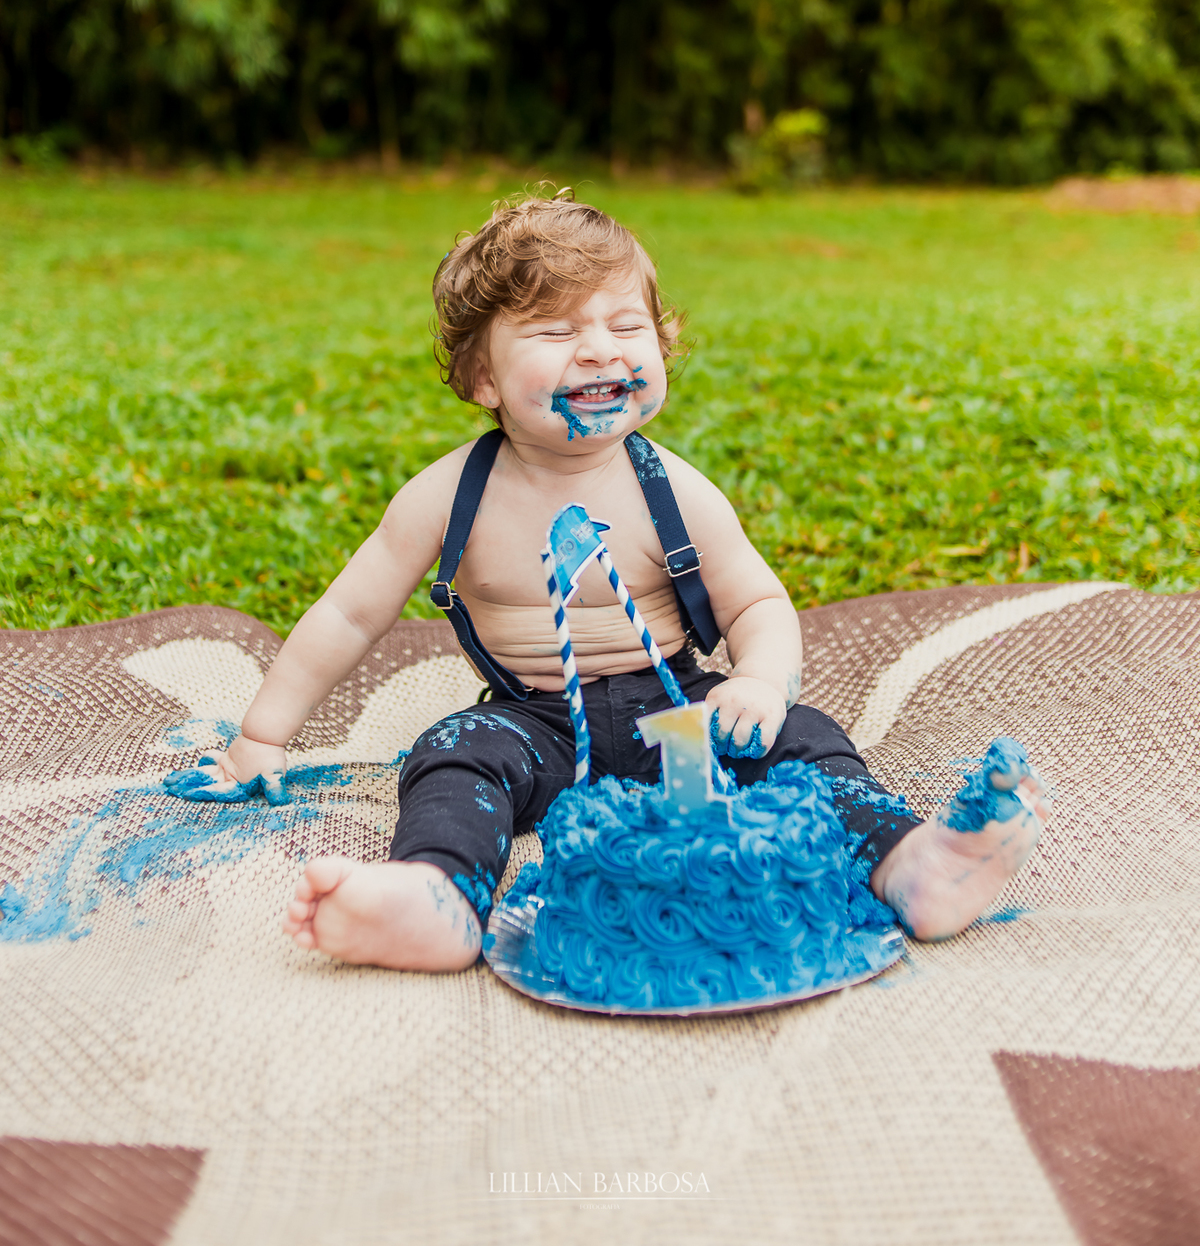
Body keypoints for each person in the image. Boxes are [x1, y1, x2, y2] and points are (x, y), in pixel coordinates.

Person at [177, 190, 1050, 971]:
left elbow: (757, 602)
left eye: (626, 327)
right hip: (534, 724)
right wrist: (262, 735)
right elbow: (348, 613)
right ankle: (435, 897)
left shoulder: (672, 490)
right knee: (449, 755)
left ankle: (911, 865)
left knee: (805, 740)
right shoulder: (447, 498)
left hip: (682, 714)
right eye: (556, 333)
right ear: (482, 378)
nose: (598, 351)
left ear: (660, 347)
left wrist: (756, 681)